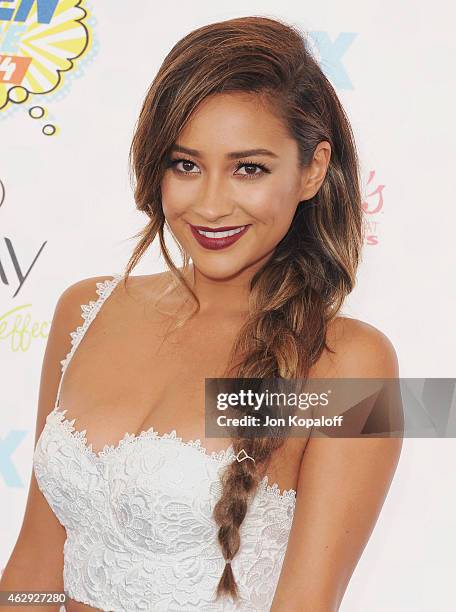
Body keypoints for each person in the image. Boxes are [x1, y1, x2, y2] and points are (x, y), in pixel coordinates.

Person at [1, 15, 403, 612]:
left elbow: (307, 603)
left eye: (249, 168)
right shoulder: (84, 307)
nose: (211, 205)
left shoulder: (353, 367)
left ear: (313, 169)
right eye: (186, 165)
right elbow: (34, 563)